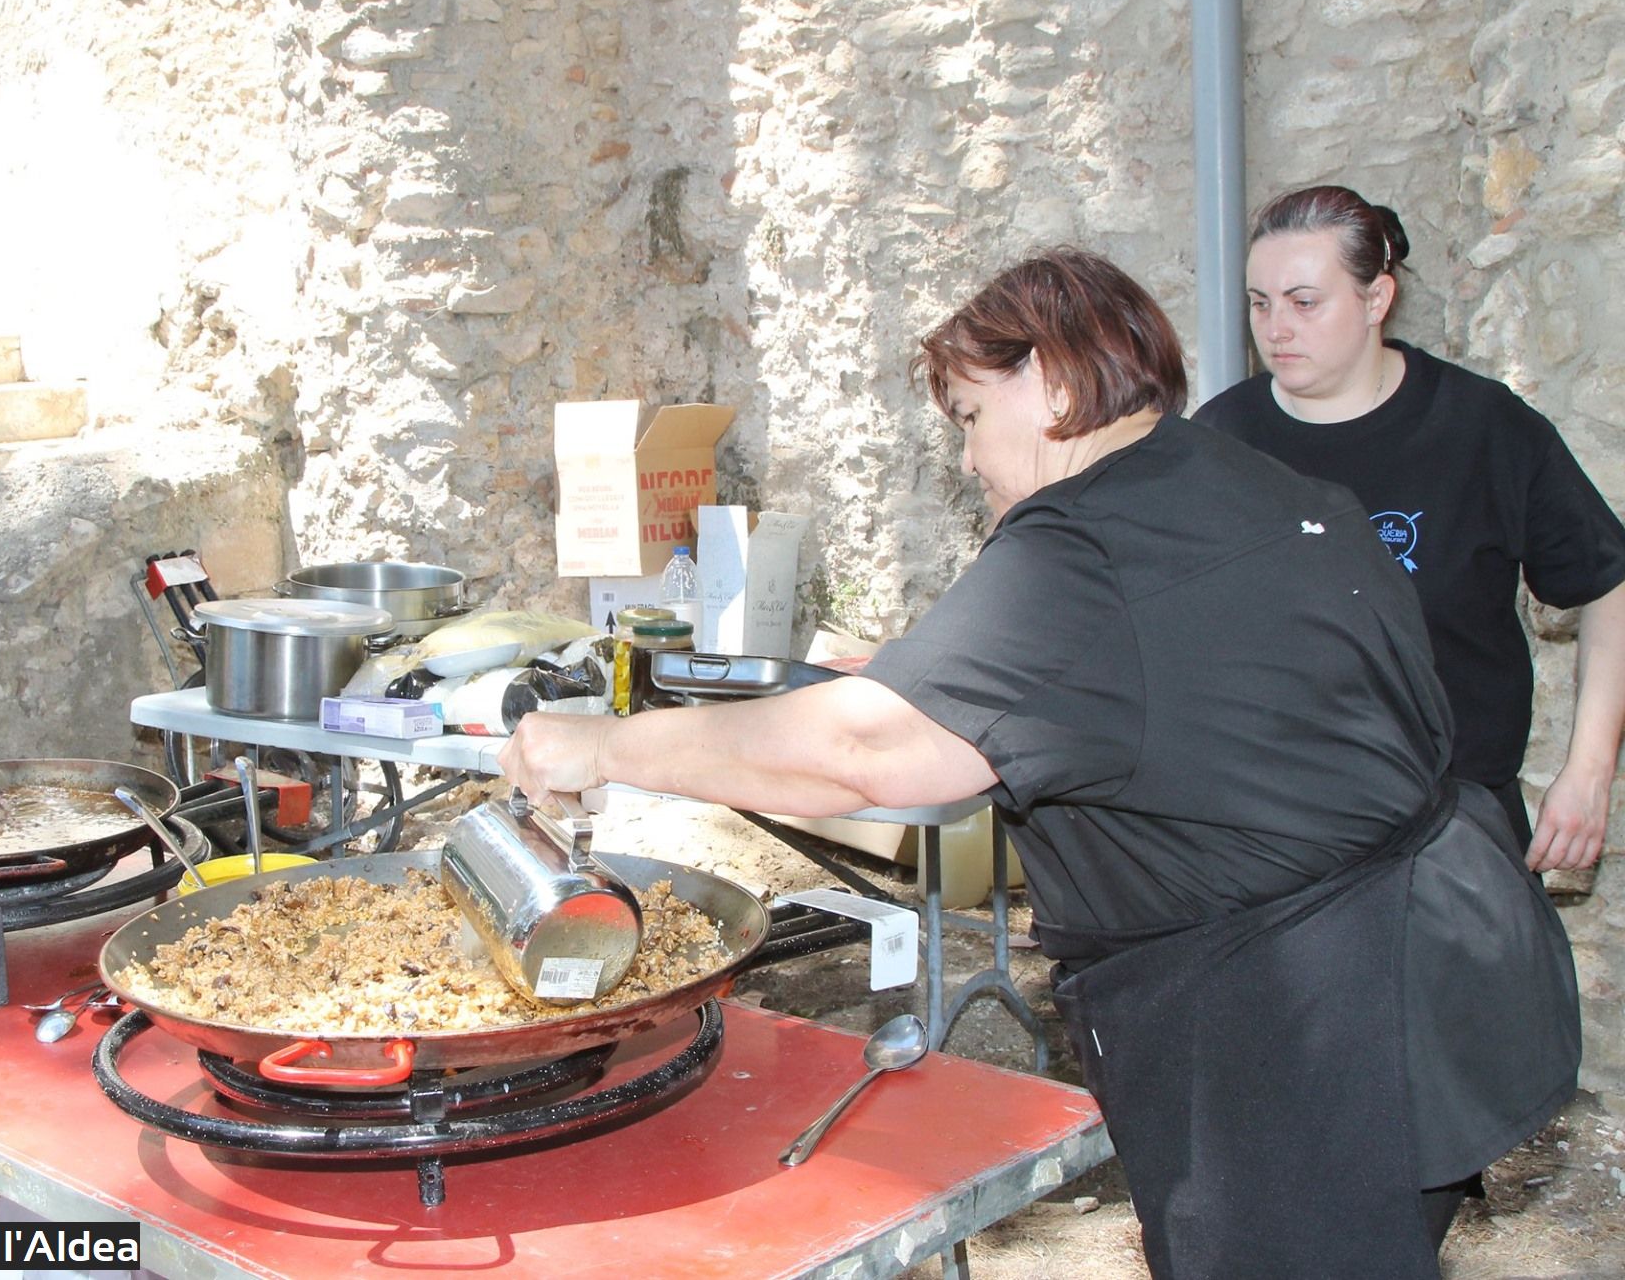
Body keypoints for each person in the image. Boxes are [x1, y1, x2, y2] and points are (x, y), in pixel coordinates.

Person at [499, 249, 1579, 1278]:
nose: (968, 458)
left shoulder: (1087, 542)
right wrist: (937, 675)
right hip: (1439, 969)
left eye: (971, 416)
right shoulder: (1249, 481)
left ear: (1053, 382)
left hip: (1297, 1035)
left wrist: (605, 744)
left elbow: (868, 752)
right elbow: (1175, 683)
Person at [1195, 184, 1625, 873]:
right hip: (1277, 838)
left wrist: (1589, 773)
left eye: (1304, 302)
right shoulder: (1219, 440)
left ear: (1376, 300)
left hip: (1456, 836)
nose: (1276, 328)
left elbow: (1609, 583)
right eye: (1260, 303)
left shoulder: (1481, 427)